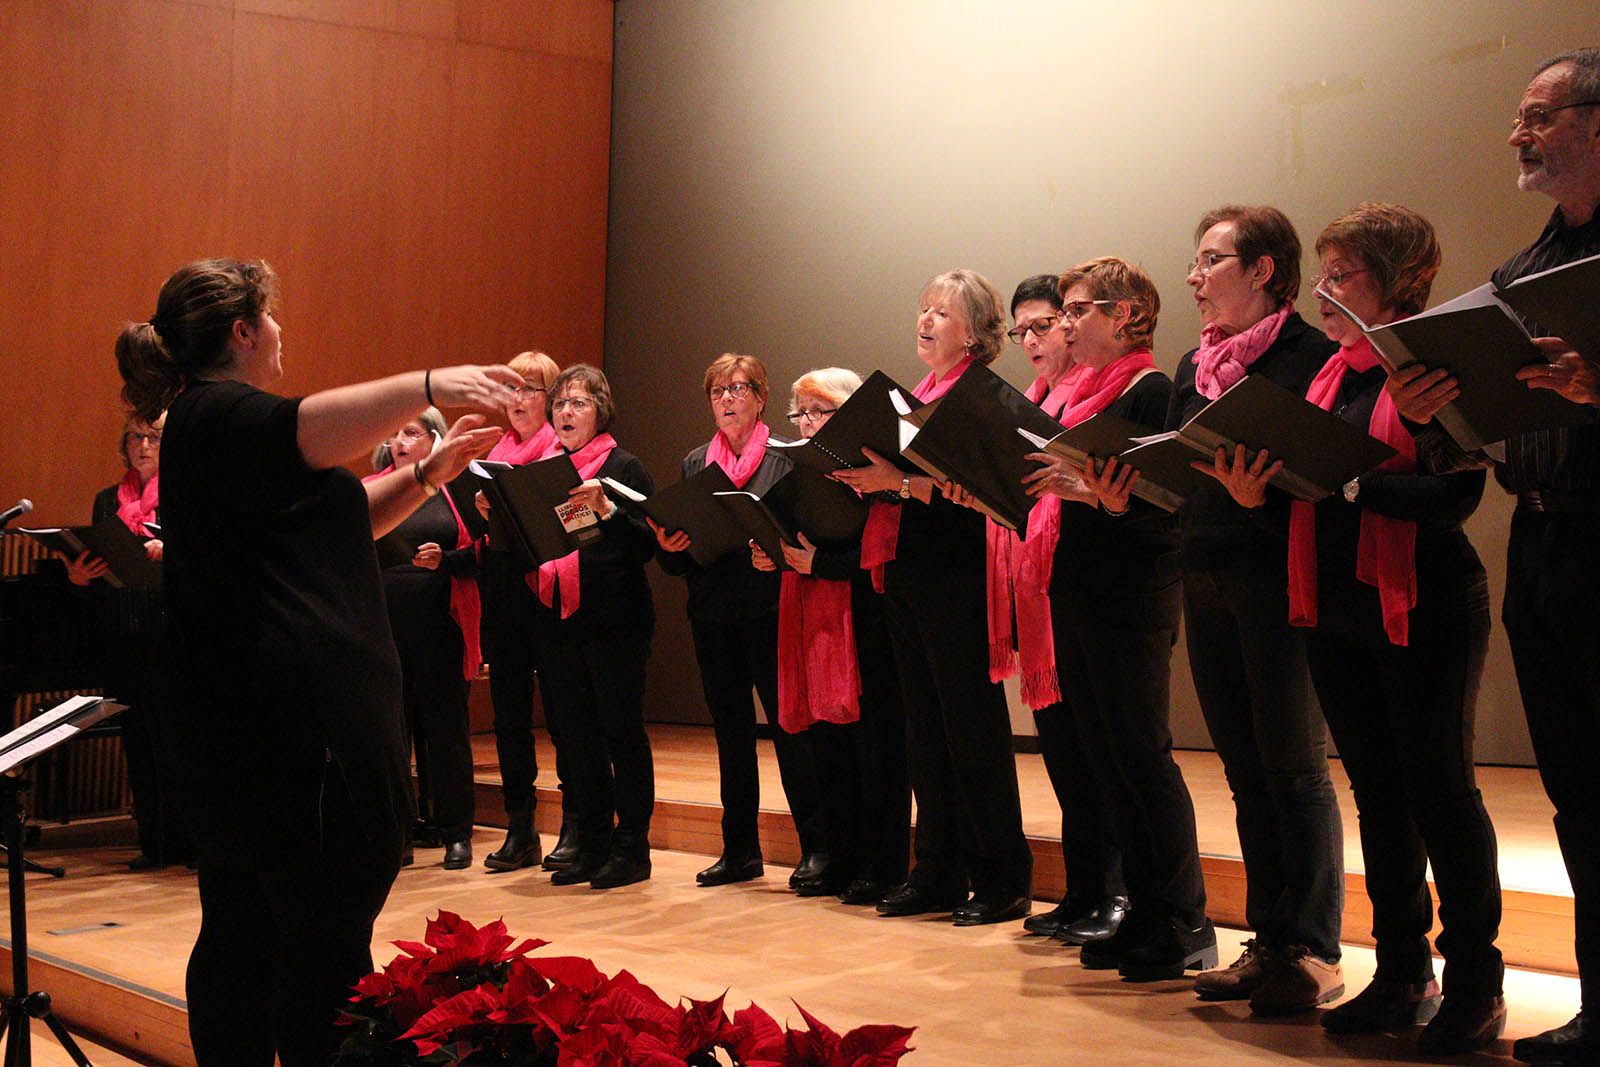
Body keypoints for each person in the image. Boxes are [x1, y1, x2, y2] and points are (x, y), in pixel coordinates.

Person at [116, 257, 512, 1066]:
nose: (282, 333)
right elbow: (308, 425)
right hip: (293, 742)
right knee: (310, 949)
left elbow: (342, 522)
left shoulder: (220, 431)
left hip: (269, 733)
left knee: (262, 934)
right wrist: (433, 382)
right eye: (275, 317)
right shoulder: (218, 413)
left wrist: (430, 471)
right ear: (243, 329)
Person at [1239, 203, 1499, 1052]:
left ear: (1393, 285)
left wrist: (1347, 488)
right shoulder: (1330, 376)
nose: (1323, 290)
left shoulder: (1423, 367)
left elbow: (1457, 496)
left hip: (1422, 600)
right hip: (1341, 608)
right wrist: (1262, 491)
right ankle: (1400, 971)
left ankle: (1476, 983)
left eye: (1341, 276)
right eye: (1321, 273)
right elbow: (1306, 497)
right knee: (1381, 799)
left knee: (1443, 797)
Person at [1386, 48, 1600, 1066]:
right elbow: (1479, 434)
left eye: (1538, 115)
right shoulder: (1519, 276)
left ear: (1598, 123)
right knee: (1577, 790)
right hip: (1545, 542)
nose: (1516, 134)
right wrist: (1438, 418)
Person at [1013, 258, 1211, 979]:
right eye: (1062, 311)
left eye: (1076, 310)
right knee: (1106, 759)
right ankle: (1144, 912)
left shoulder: (1153, 391)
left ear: (1125, 314)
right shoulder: (1077, 398)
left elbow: (1169, 509)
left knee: (1141, 756)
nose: (1064, 324)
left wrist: (1098, 495)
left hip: (1133, 591)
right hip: (1078, 587)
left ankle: (1184, 918)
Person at [1170, 206, 1345, 1009]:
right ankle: (1268, 936)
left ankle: (1312, 947)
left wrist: (1260, 496)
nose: (1195, 277)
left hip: (1280, 576)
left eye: (1212, 260)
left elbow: (1323, 474)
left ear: (1264, 268)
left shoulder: (1310, 356)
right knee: (1245, 772)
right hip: (1206, 574)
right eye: (1196, 261)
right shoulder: (1192, 368)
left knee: (1294, 769)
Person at [833, 269, 1033, 926]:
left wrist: (904, 481)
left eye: (941, 313)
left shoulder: (982, 397)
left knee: (971, 728)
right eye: (922, 310)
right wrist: (879, 479)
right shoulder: (918, 396)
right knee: (926, 731)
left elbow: (982, 496)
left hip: (959, 572)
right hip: (908, 568)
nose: (925, 321)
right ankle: (936, 869)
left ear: (975, 330)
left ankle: (1001, 877)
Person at [653, 354, 829, 888]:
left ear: (760, 397)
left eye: (738, 388)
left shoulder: (783, 458)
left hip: (771, 610)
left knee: (789, 730)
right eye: (717, 391)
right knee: (729, 735)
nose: (727, 399)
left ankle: (816, 848)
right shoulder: (693, 463)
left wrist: (774, 555)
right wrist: (669, 546)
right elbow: (679, 556)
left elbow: (803, 538)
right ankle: (739, 851)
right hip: (712, 612)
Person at [992, 275, 1127, 945]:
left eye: (1044, 325)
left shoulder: (1092, 398)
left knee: (1098, 755)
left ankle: (1113, 890)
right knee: (1065, 756)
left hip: (1083, 588)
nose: (1034, 340)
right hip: (1038, 591)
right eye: (1022, 331)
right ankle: (1081, 889)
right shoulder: (1033, 401)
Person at [750, 367, 911, 903]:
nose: (809, 423)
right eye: (802, 414)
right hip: (812, 618)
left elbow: (880, 555)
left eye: (821, 412)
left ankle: (882, 865)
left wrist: (820, 561)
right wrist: (773, 554)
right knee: (829, 747)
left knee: (876, 749)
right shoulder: (797, 473)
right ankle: (840, 856)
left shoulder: (879, 472)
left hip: (868, 622)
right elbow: (792, 535)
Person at [532, 365, 659, 889]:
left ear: (600, 411)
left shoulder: (623, 467)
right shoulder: (543, 471)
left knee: (620, 731)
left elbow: (648, 545)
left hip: (616, 618)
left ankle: (632, 848)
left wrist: (607, 510)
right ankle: (592, 843)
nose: (567, 411)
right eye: (560, 403)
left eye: (579, 403)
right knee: (577, 735)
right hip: (561, 615)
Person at [62, 412, 189, 868]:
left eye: (153, 438)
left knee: (177, 737)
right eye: (136, 437)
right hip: (123, 634)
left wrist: (173, 551)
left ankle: (189, 842)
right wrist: (78, 578)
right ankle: (153, 843)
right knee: (138, 739)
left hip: (173, 631)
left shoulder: (185, 495)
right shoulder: (105, 501)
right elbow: (100, 567)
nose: (144, 445)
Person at [367, 407, 483, 871]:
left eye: (411, 432)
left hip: (440, 623)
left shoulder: (456, 487)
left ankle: (456, 832)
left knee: (445, 730)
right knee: (392, 733)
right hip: (383, 629)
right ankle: (399, 832)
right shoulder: (372, 490)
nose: (399, 441)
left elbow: (485, 551)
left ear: (435, 440)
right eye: (394, 433)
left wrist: (448, 559)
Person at [475, 350, 576, 873]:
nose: (518, 400)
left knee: (560, 710)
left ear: (551, 399)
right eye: (512, 389)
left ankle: (576, 823)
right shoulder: (497, 452)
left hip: (547, 586)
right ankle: (520, 827)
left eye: (531, 390)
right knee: (509, 713)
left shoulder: (561, 452)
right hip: (503, 587)